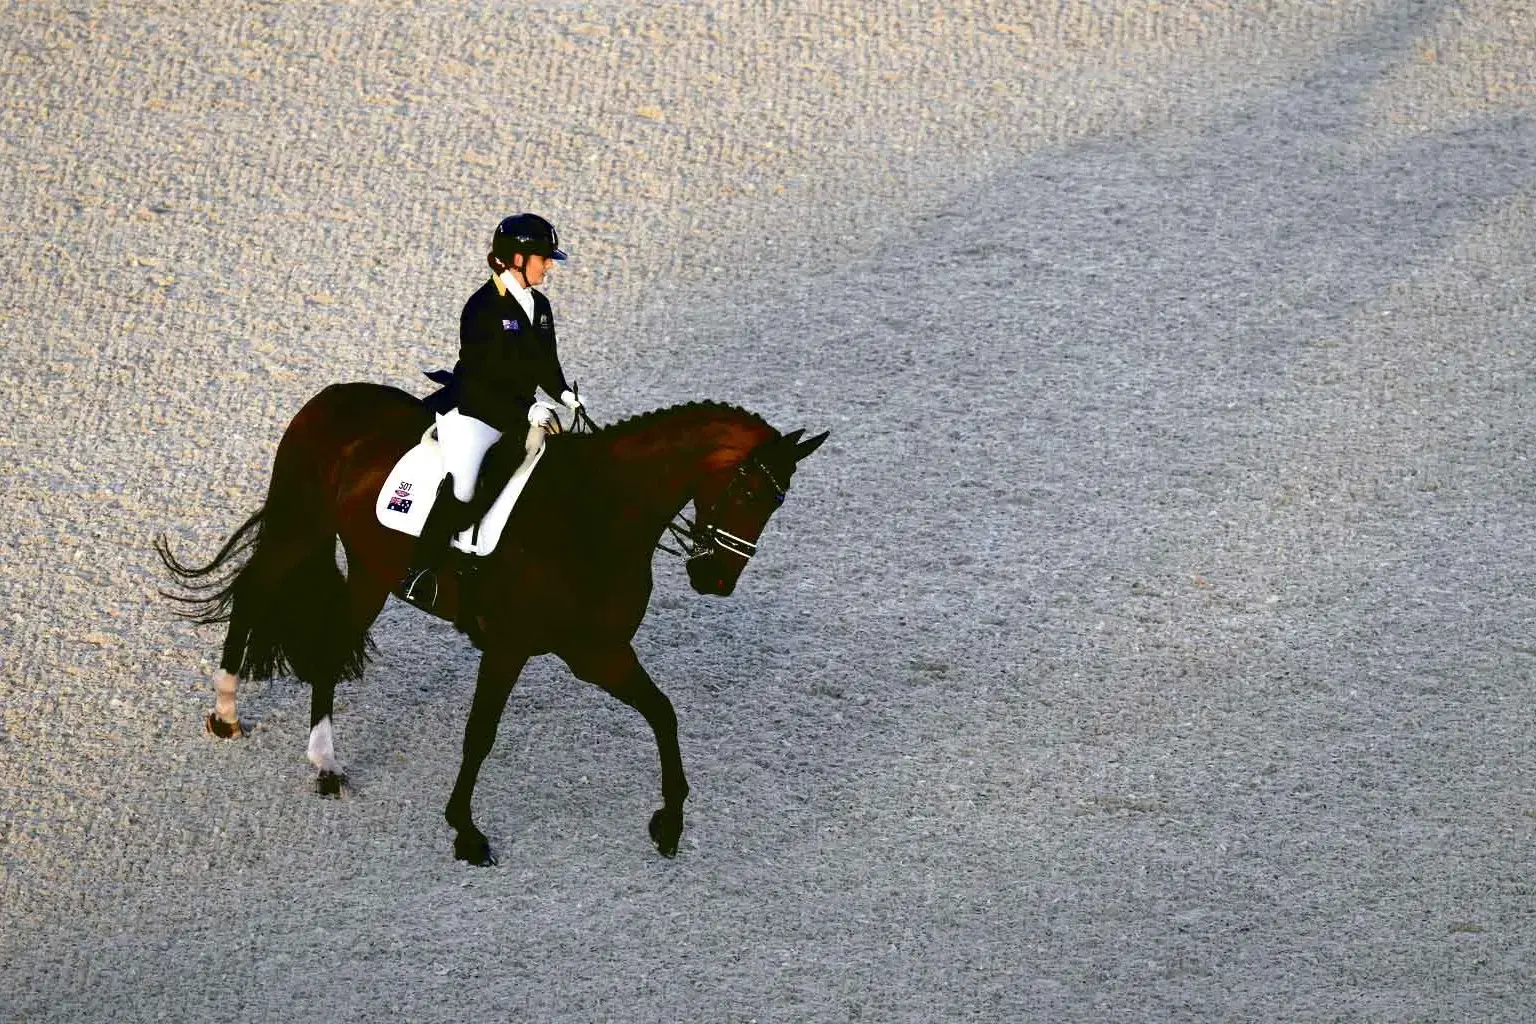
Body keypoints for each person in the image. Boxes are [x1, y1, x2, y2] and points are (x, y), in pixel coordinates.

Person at [401, 213, 585, 608]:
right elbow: (485, 379)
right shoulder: (482, 307)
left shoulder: (540, 306)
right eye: (543, 257)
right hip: (475, 411)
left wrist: (565, 394)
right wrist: (528, 410)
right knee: (465, 485)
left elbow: (545, 363)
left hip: (524, 409)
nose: (549, 265)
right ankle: (420, 570)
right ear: (517, 258)